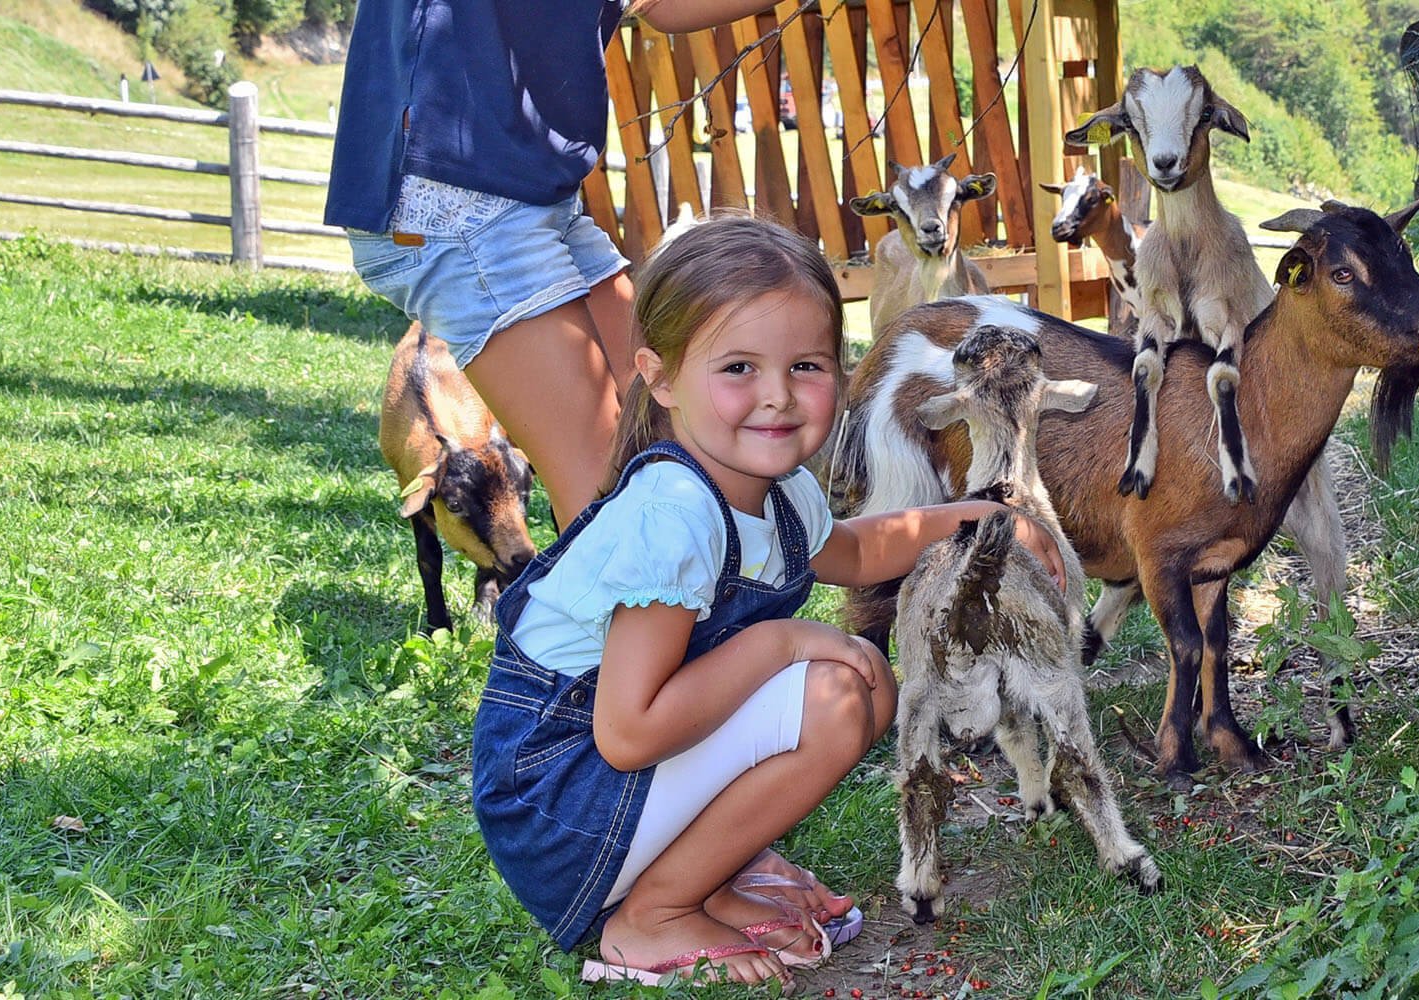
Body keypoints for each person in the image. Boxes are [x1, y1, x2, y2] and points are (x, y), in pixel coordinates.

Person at [470, 215, 1069, 986]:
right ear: (661, 377)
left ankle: (702, 876)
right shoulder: (674, 515)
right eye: (740, 369)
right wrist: (783, 643)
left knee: (854, 685)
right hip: (562, 807)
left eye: (808, 366)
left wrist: (978, 517)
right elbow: (626, 731)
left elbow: (852, 551)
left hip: (606, 796)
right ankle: (654, 914)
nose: (779, 398)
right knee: (835, 696)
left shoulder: (775, 488)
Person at [324, 0, 786, 530]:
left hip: (527, 194)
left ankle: (702, 603)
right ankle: (616, 609)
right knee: (605, 496)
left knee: (672, 427)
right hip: (459, 195)